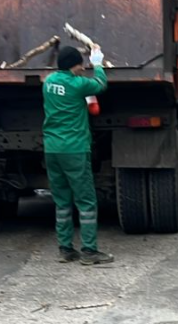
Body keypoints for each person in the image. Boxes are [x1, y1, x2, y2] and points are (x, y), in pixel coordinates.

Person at [42, 44, 112, 265]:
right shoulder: (78, 84)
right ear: (74, 65)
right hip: (74, 149)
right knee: (86, 201)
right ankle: (89, 251)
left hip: (52, 149)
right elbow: (100, 85)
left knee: (62, 201)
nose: (83, 67)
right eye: (80, 64)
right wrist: (98, 64)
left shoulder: (49, 83)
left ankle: (65, 249)